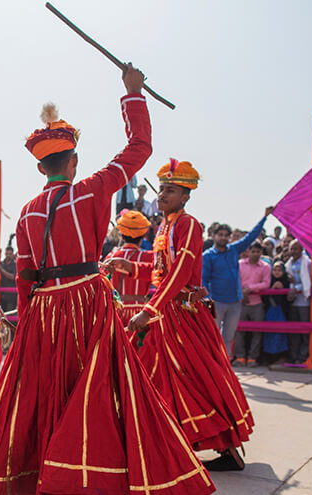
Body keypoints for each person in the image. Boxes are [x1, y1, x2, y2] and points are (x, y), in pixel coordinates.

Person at [0, 67, 213, 495]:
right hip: (85, 302)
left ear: (41, 166)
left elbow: (25, 276)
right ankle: (91, 472)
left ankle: (44, 472)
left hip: (44, 308)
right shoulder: (93, 189)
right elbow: (140, 147)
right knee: (100, 389)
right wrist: (133, 93)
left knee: (45, 394)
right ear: (73, 161)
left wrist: (27, 325)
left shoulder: (26, 212)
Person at [108, 159, 254, 472]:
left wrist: (148, 311)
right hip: (168, 312)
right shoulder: (166, 225)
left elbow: (181, 274)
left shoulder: (189, 225)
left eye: (170, 190)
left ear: (185, 196)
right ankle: (173, 444)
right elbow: (161, 271)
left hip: (180, 316)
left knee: (194, 379)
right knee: (172, 378)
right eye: (161, 189)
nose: (161, 195)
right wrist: (130, 267)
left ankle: (213, 445)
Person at [202, 209, 273, 357]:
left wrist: (264, 218)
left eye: (226, 235)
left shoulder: (233, 249)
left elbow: (250, 237)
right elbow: (204, 280)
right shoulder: (208, 256)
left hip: (235, 302)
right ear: (214, 236)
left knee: (228, 337)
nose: (223, 237)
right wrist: (207, 303)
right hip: (216, 302)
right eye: (220, 235)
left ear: (229, 237)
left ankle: (226, 368)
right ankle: (213, 369)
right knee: (212, 337)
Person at [103, 209, 154, 326]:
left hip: (117, 311)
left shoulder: (111, 256)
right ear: (143, 235)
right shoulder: (150, 257)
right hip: (142, 315)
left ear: (122, 235)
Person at [232, 242, 272, 366]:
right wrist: (241, 294)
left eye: (258, 252)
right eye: (253, 251)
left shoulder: (265, 266)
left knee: (257, 332)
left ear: (261, 253)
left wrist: (249, 288)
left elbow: (266, 283)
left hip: (257, 302)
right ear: (248, 252)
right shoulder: (239, 264)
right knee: (238, 330)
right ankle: (240, 357)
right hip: (241, 302)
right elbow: (235, 280)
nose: (255, 254)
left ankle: (252, 358)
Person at [286, 240, 312, 363]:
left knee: (305, 331)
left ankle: (303, 355)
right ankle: (294, 355)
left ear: (301, 250)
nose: (294, 251)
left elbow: (310, 282)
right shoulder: (288, 264)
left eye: (297, 249)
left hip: (304, 302)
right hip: (292, 302)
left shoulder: (307, 263)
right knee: (293, 331)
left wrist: (296, 289)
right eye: (292, 249)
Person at [0, 246, 16, 313]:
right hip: (1, 294)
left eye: (10, 254)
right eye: (7, 254)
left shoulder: (15, 265)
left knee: (9, 315)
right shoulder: (1, 264)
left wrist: (2, 270)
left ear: (13, 255)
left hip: (11, 295)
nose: (8, 256)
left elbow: (13, 277)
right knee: (1, 314)